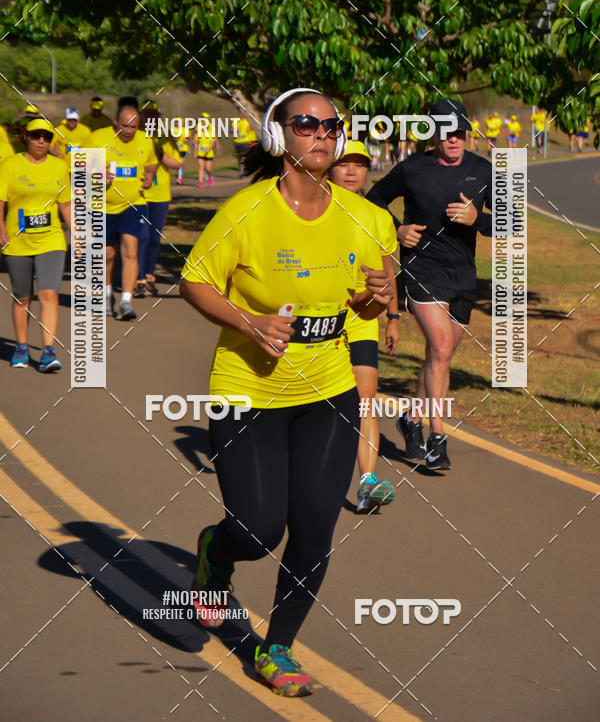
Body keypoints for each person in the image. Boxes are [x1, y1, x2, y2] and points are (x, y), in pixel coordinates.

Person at [180, 88, 395, 697]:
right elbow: (195, 281)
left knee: (313, 529)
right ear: (281, 137)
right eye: (306, 124)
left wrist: (380, 294)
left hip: (328, 391)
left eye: (332, 125)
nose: (323, 134)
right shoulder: (246, 212)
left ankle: (278, 647)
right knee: (255, 529)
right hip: (248, 389)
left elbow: (377, 300)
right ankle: (214, 556)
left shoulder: (368, 218)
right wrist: (250, 323)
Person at [367, 98, 492, 470]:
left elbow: (513, 221)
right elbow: (373, 201)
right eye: (445, 133)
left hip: (463, 277)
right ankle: (438, 438)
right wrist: (396, 230)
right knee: (438, 346)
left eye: (459, 133)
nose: (453, 140)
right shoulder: (412, 169)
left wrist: (476, 219)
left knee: (440, 357)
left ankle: (410, 418)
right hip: (422, 270)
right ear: (433, 134)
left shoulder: (483, 170)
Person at [329, 139, 399, 513]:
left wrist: (394, 317)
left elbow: (389, 273)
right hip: (320, 319)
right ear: (329, 167)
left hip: (362, 319)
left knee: (364, 399)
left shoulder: (378, 217)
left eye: (360, 164)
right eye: (345, 164)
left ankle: (367, 482)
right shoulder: (314, 208)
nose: (353, 171)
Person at [0, 116, 74, 371]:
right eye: (36, 136)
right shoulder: (9, 165)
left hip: (51, 239)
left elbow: (64, 203)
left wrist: (76, 231)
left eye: (46, 137)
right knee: (23, 296)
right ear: (25, 137)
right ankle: (21, 347)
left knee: (48, 292)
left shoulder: (58, 166)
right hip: (17, 240)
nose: (41, 141)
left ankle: (48, 351)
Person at [90, 103, 157, 320]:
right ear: (115, 123)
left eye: (133, 127)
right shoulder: (98, 138)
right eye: (124, 126)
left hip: (134, 204)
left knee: (130, 250)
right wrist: (97, 173)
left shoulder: (145, 141)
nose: (128, 131)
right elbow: (79, 165)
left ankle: (126, 302)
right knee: (107, 254)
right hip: (101, 206)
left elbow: (151, 164)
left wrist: (148, 176)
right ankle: (107, 295)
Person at [134, 107, 183, 297]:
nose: (151, 118)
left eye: (155, 115)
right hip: (140, 195)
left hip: (161, 195)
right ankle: (138, 279)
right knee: (141, 237)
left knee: (154, 238)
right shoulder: (136, 137)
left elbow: (178, 163)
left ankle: (149, 276)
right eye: (148, 115)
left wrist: (161, 155)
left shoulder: (165, 136)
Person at [194, 112, 218, 187]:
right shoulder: (199, 132)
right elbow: (196, 143)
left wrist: (209, 148)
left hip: (209, 153)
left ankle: (210, 177)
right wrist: (195, 152)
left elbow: (212, 142)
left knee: (208, 169)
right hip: (200, 152)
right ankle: (200, 182)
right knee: (201, 167)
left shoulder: (211, 132)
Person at [233, 112, 258, 177]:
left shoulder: (247, 122)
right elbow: (231, 130)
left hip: (245, 141)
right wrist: (234, 130)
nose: (241, 115)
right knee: (239, 157)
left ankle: (243, 170)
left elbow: (252, 131)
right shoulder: (236, 121)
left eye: (242, 113)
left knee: (243, 156)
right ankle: (241, 168)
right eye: (240, 113)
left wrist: (253, 139)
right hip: (237, 141)